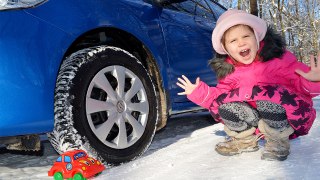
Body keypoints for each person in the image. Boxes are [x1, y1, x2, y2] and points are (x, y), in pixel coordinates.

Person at [176, 9, 320, 161]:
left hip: (287, 121)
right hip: (256, 123)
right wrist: (199, 92)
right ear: (226, 49)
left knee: (269, 96)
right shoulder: (229, 72)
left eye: (246, 36)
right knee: (226, 105)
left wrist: (313, 80)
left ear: (257, 38)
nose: (241, 42)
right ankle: (244, 138)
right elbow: (218, 97)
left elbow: (301, 89)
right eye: (233, 41)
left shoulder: (280, 61)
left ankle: (278, 140)